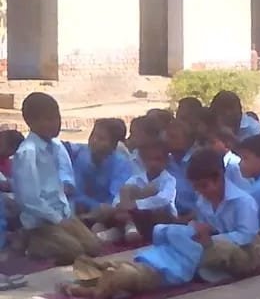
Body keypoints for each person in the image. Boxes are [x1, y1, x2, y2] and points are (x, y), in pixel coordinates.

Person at [56, 150, 260, 299]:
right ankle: (105, 274)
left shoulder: (243, 201)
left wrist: (209, 239)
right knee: (167, 248)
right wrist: (194, 231)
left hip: (237, 251)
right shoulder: (204, 200)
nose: (201, 192)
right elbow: (202, 224)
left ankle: (110, 281)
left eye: (204, 186)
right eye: (197, 188)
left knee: (215, 250)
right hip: (205, 247)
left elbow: (245, 236)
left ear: (219, 177)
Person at [12, 93, 101, 265]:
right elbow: (29, 200)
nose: (56, 123)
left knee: (93, 247)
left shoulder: (56, 146)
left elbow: (60, 185)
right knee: (74, 251)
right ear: (31, 122)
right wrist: (57, 220)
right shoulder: (28, 153)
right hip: (40, 221)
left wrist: (66, 217)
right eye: (49, 119)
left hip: (62, 214)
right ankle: (31, 242)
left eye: (57, 117)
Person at [92, 138, 177, 245]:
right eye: (149, 159)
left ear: (166, 161)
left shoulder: (169, 180)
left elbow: (163, 199)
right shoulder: (136, 179)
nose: (153, 163)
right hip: (133, 215)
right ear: (143, 160)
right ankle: (126, 228)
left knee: (150, 197)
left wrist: (135, 204)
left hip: (160, 217)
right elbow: (119, 198)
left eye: (158, 159)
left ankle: (123, 228)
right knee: (125, 191)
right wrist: (120, 206)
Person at [72, 119, 134, 220]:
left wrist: (101, 209)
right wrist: (95, 206)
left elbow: (116, 199)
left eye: (101, 139)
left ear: (114, 145)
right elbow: (76, 193)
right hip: (85, 210)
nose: (94, 141)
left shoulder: (122, 165)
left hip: (111, 215)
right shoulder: (82, 157)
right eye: (93, 135)